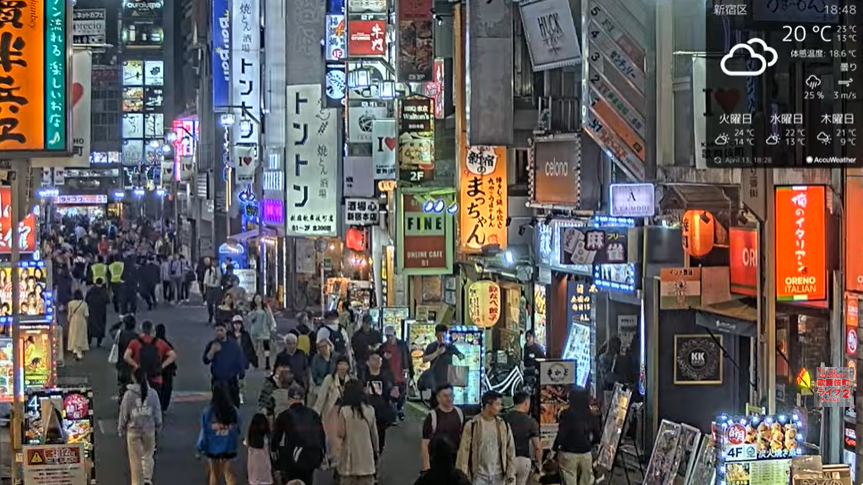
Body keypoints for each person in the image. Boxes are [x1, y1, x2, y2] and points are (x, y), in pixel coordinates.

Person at [456, 391, 517, 485]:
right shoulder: (472, 425)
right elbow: (464, 452)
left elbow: (510, 451)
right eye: (497, 404)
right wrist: (463, 476)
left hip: (499, 475)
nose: (500, 407)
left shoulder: (503, 425)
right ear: (488, 406)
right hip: (478, 476)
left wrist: (511, 475)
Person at [272, 384, 326, 485]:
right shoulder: (313, 414)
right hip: (311, 457)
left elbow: (275, 440)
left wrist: (277, 463)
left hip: (292, 459)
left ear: (289, 399)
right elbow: (322, 436)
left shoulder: (284, 416)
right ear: (303, 399)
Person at [118, 367, 163, 485]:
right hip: (149, 430)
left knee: (135, 459)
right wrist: (158, 425)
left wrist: (121, 427)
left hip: (133, 430)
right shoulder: (152, 393)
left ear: (133, 378)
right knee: (148, 455)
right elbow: (157, 411)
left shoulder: (128, 395)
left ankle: (137, 482)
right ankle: (147, 478)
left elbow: (124, 412)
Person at [332, 379, 379, 485]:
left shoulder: (344, 411)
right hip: (367, 462)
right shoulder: (370, 410)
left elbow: (340, 433)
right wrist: (376, 452)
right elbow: (374, 435)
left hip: (349, 462)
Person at [196, 382, 243, 485]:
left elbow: (204, 432)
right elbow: (238, 428)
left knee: (214, 474)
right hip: (229, 447)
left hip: (212, 448)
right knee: (229, 474)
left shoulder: (208, 412)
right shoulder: (233, 411)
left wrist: (199, 448)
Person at [553, 388, 601, 485]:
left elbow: (562, 434)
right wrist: (590, 445)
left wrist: (554, 449)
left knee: (569, 480)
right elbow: (597, 436)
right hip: (586, 453)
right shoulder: (591, 414)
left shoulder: (566, 414)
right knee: (586, 482)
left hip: (568, 453)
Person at [123, 320, 177, 399]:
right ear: (152, 330)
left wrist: (136, 366)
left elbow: (126, 356)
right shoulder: (160, 342)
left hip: (138, 377)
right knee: (155, 402)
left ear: (141, 330)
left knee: (138, 402)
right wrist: (162, 366)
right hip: (156, 377)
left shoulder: (134, 342)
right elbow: (173, 355)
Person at [420, 384, 465, 471]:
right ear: (438, 398)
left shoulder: (460, 413)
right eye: (445, 396)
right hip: (436, 463)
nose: (449, 398)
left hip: (455, 462)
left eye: (451, 395)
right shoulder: (432, 417)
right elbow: (425, 443)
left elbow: (464, 439)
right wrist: (426, 467)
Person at [203, 321, 246, 407]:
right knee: (217, 406)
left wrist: (241, 376)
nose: (219, 333)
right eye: (217, 331)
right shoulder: (212, 344)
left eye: (221, 330)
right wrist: (212, 351)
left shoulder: (234, 345)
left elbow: (240, 360)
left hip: (231, 381)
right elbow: (206, 360)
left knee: (232, 405)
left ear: (225, 330)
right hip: (217, 381)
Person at [362, 352, 397, 454]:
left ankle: (377, 454)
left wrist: (394, 395)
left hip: (381, 412)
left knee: (380, 436)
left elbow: (390, 394)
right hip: (366, 411)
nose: (378, 361)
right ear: (367, 362)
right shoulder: (363, 376)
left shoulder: (386, 376)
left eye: (379, 359)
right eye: (374, 359)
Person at [505, 392, 542, 485]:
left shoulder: (505, 418)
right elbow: (537, 446)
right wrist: (539, 464)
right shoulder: (531, 421)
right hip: (524, 460)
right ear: (526, 402)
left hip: (508, 459)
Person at [381, 324, 412, 420]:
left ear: (395, 334)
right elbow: (378, 356)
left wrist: (411, 371)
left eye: (391, 336)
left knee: (402, 392)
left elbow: (408, 358)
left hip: (402, 372)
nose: (389, 338)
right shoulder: (383, 347)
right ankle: (393, 413)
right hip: (389, 374)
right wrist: (383, 355)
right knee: (390, 393)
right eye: (387, 336)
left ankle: (399, 409)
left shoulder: (402, 345)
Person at [421, 324, 464, 392]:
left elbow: (461, 357)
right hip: (435, 379)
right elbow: (424, 359)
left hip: (448, 379)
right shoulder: (431, 346)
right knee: (435, 399)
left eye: (443, 336)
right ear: (435, 335)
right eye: (439, 336)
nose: (441, 338)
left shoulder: (450, 346)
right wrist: (437, 353)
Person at [111, 315, 139, 403]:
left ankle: (122, 401)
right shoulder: (137, 337)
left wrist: (120, 322)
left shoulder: (119, 335)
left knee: (123, 385)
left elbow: (111, 330)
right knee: (132, 384)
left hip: (121, 365)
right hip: (132, 364)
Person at [231, 315, 257, 404]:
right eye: (235, 324)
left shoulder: (245, 335)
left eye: (239, 324)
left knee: (241, 378)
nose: (237, 326)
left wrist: (254, 361)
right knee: (233, 377)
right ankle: (233, 393)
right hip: (232, 359)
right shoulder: (229, 335)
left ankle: (240, 394)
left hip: (242, 359)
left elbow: (250, 348)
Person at [247, 294, 276, 370]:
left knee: (266, 346)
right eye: (256, 298)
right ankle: (256, 362)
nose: (257, 299)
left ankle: (267, 362)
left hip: (265, 330)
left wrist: (272, 328)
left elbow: (270, 318)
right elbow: (249, 319)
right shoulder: (253, 309)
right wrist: (253, 313)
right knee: (255, 347)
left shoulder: (266, 309)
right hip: (255, 331)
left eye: (259, 298)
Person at [154, 324, 177, 412]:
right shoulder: (168, 344)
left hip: (156, 372)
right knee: (167, 389)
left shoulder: (153, 344)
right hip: (167, 372)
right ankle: (163, 406)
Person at [245, 413, 273, 485]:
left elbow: (246, 444)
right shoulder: (266, 437)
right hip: (264, 465)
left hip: (253, 466)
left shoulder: (250, 437)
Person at [351, 314, 381, 379]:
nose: (368, 326)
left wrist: (376, 347)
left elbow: (380, 344)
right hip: (362, 361)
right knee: (363, 379)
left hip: (374, 362)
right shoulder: (357, 335)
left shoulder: (375, 334)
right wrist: (366, 348)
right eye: (366, 323)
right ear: (363, 323)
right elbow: (355, 348)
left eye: (369, 324)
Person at [309, 337, 336, 406]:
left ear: (330, 347)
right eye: (320, 347)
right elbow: (315, 375)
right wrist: (324, 384)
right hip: (320, 384)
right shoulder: (316, 358)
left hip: (335, 384)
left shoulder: (336, 357)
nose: (323, 349)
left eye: (325, 346)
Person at [86, 279, 110, 347]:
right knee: (101, 325)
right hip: (101, 311)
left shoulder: (91, 290)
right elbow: (107, 300)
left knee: (91, 326)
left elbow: (87, 299)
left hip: (92, 310)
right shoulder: (103, 291)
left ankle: (89, 341)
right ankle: (99, 342)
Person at [66, 289, 89, 360]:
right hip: (82, 320)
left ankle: (74, 348)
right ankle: (80, 351)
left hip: (73, 320)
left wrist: (69, 320)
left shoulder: (70, 303)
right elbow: (86, 314)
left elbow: (69, 314)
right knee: (81, 336)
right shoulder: (84, 304)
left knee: (73, 335)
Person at [203, 259, 222, 324]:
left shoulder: (220, 270)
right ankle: (211, 315)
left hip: (217, 288)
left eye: (216, 262)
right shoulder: (209, 271)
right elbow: (205, 281)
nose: (214, 263)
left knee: (218, 304)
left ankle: (217, 318)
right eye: (213, 262)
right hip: (210, 288)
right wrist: (205, 289)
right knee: (209, 303)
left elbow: (221, 279)